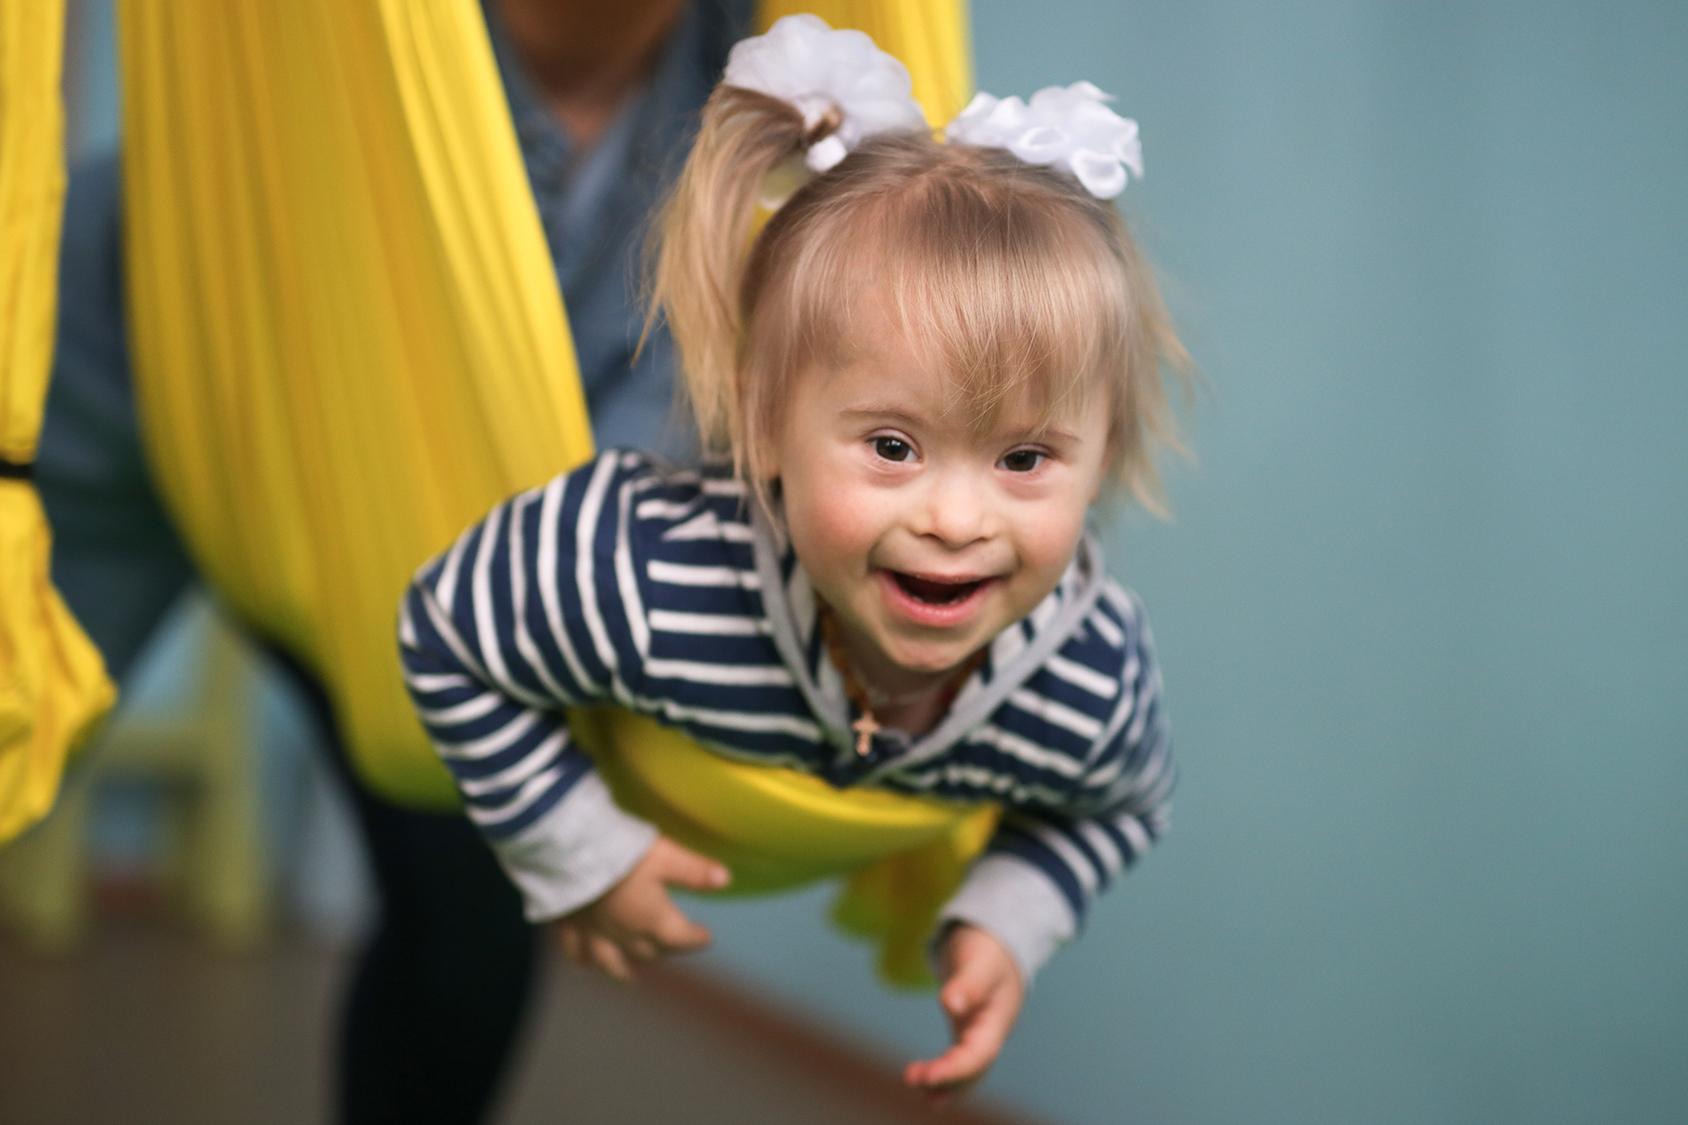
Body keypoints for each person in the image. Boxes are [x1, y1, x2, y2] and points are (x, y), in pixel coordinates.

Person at [398, 15, 1185, 1098]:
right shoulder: (636, 571)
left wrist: (1009, 920)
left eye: (1023, 458)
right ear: (764, 427)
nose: (956, 519)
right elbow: (443, 629)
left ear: (1096, 464)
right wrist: (577, 850)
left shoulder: (1086, 676)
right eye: (893, 447)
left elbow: (1121, 804)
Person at [39, 1, 752, 1121]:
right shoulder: (368, 29)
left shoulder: (776, 80)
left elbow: (673, 404)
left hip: (424, 523)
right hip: (144, 366)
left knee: (474, 899)